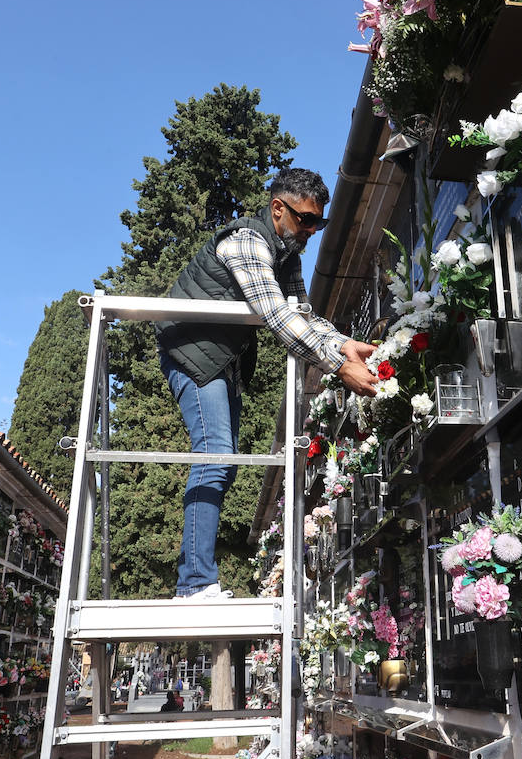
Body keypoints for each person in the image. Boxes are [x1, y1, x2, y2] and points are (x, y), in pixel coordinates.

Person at [156, 168, 378, 599]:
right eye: (305, 220)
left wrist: (348, 343)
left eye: (320, 223)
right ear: (278, 208)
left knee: (223, 462)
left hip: (222, 362)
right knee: (215, 456)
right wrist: (338, 365)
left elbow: (303, 314)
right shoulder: (247, 242)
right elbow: (276, 315)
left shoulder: (286, 252)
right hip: (192, 353)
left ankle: (195, 580)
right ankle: (194, 583)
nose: (312, 231)